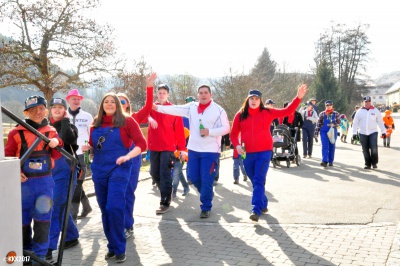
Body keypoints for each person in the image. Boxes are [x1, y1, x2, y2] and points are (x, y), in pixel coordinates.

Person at [82, 92, 146, 263]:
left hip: (120, 169)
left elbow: (142, 144)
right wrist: (87, 148)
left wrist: (128, 156)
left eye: (113, 102)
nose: (109, 104)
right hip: (99, 170)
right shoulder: (95, 124)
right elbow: (94, 146)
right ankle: (112, 246)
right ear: (102, 105)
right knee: (104, 209)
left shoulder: (128, 121)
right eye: (106, 102)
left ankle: (119, 248)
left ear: (118, 105)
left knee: (114, 207)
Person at [230, 85, 308, 222]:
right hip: (247, 154)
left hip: (264, 152)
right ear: (247, 100)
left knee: (259, 179)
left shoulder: (268, 112)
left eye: (256, 98)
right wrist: (236, 145)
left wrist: (298, 97)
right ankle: (263, 203)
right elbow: (233, 134)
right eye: (251, 98)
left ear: (260, 100)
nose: (254, 101)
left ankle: (255, 209)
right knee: (255, 182)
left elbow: (287, 110)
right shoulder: (240, 115)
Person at [153, 84, 230, 218]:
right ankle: (207, 193)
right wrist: (157, 108)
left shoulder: (219, 110)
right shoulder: (192, 107)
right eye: (200, 93)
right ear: (198, 95)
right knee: (193, 177)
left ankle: (206, 206)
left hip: (211, 150)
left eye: (206, 92)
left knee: (206, 179)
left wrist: (210, 132)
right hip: (194, 149)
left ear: (210, 95)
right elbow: (175, 109)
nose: (203, 95)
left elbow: (226, 128)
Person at [5, 95, 63, 261]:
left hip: (45, 184)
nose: (37, 112)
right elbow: (8, 157)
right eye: (32, 109)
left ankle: (40, 256)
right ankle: (25, 254)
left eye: (41, 109)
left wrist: (56, 143)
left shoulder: (51, 132)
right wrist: (15, 172)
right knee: (22, 221)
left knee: (43, 221)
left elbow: (57, 156)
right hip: (23, 185)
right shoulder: (16, 132)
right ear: (26, 112)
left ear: (46, 110)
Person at [117, 72, 155, 239]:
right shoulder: (105, 121)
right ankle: (117, 225)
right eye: (115, 100)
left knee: (128, 192)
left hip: (132, 161)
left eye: (122, 101)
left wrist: (149, 86)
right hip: (115, 162)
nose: (119, 103)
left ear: (127, 104)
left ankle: (127, 225)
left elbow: (148, 107)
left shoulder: (134, 118)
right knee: (116, 194)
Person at [47, 98, 80, 260]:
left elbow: (69, 139)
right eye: (54, 107)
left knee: (56, 207)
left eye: (61, 107)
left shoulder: (70, 126)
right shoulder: (43, 127)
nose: (57, 110)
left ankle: (48, 248)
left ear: (65, 110)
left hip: (66, 171)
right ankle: (71, 236)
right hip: (48, 171)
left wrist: (66, 121)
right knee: (61, 206)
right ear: (50, 109)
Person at [148, 84, 186, 215]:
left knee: (164, 174)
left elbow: (180, 131)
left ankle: (165, 201)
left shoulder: (173, 110)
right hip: (153, 147)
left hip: (168, 148)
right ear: (156, 94)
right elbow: (141, 116)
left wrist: (182, 149)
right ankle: (166, 191)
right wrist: (149, 117)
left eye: (164, 92)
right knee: (154, 173)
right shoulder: (151, 107)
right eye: (159, 92)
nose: (161, 94)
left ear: (168, 95)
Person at [66, 89, 93, 223]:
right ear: (68, 100)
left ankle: (73, 216)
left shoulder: (87, 116)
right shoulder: (63, 116)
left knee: (78, 183)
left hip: (82, 154)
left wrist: (88, 146)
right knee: (74, 183)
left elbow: (91, 135)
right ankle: (87, 207)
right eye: (73, 99)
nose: (76, 101)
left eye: (78, 99)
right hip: (67, 155)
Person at [352, 96, 386, 169]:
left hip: (373, 132)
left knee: (374, 148)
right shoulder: (359, 112)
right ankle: (367, 163)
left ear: (370, 102)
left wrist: (383, 132)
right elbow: (355, 123)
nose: (367, 103)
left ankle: (374, 162)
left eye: (368, 101)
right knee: (365, 149)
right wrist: (354, 133)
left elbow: (380, 122)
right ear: (363, 102)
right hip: (362, 133)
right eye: (365, 101)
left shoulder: (375, 111)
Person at [314, 100, 341, 167]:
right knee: (325, 146)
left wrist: (334, 124)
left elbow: (339, 123)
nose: (328, 107)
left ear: (332, 106)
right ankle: (324, 161)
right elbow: (318, 124)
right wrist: (316, 133)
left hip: (332, 131)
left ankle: (331, 161)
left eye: (330, 105)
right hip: (324, 131)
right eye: (327, 105)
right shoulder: (322, 114)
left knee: (332, 146)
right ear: (325, 106)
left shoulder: (336, 114)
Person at [172, 127, 190, 198]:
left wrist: (183, 155)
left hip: (182, 156)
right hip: (173, 155)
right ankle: (186, 187)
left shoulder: (185, 131)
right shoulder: (169, 131)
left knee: (176, 172)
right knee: (179, 173)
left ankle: (174, 191)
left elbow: (188, 146)